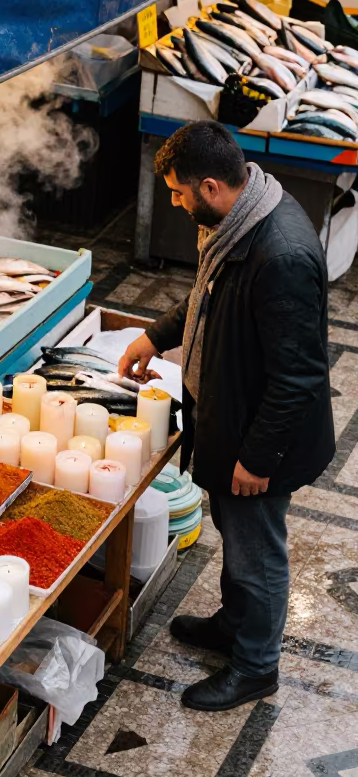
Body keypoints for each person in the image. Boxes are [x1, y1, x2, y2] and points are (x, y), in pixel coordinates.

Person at [119, 122, 334, 712]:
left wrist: (256, 459)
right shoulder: (244, 217)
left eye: (179, 193)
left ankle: (256, 666)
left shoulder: (280, 253)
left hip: (262, 440)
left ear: (211, 186)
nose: (174, 202)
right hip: (234, 416)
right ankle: (233, 624)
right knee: (235, 535)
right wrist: (156, 336)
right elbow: (211, 295)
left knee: (258, 552)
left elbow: (299, 378)